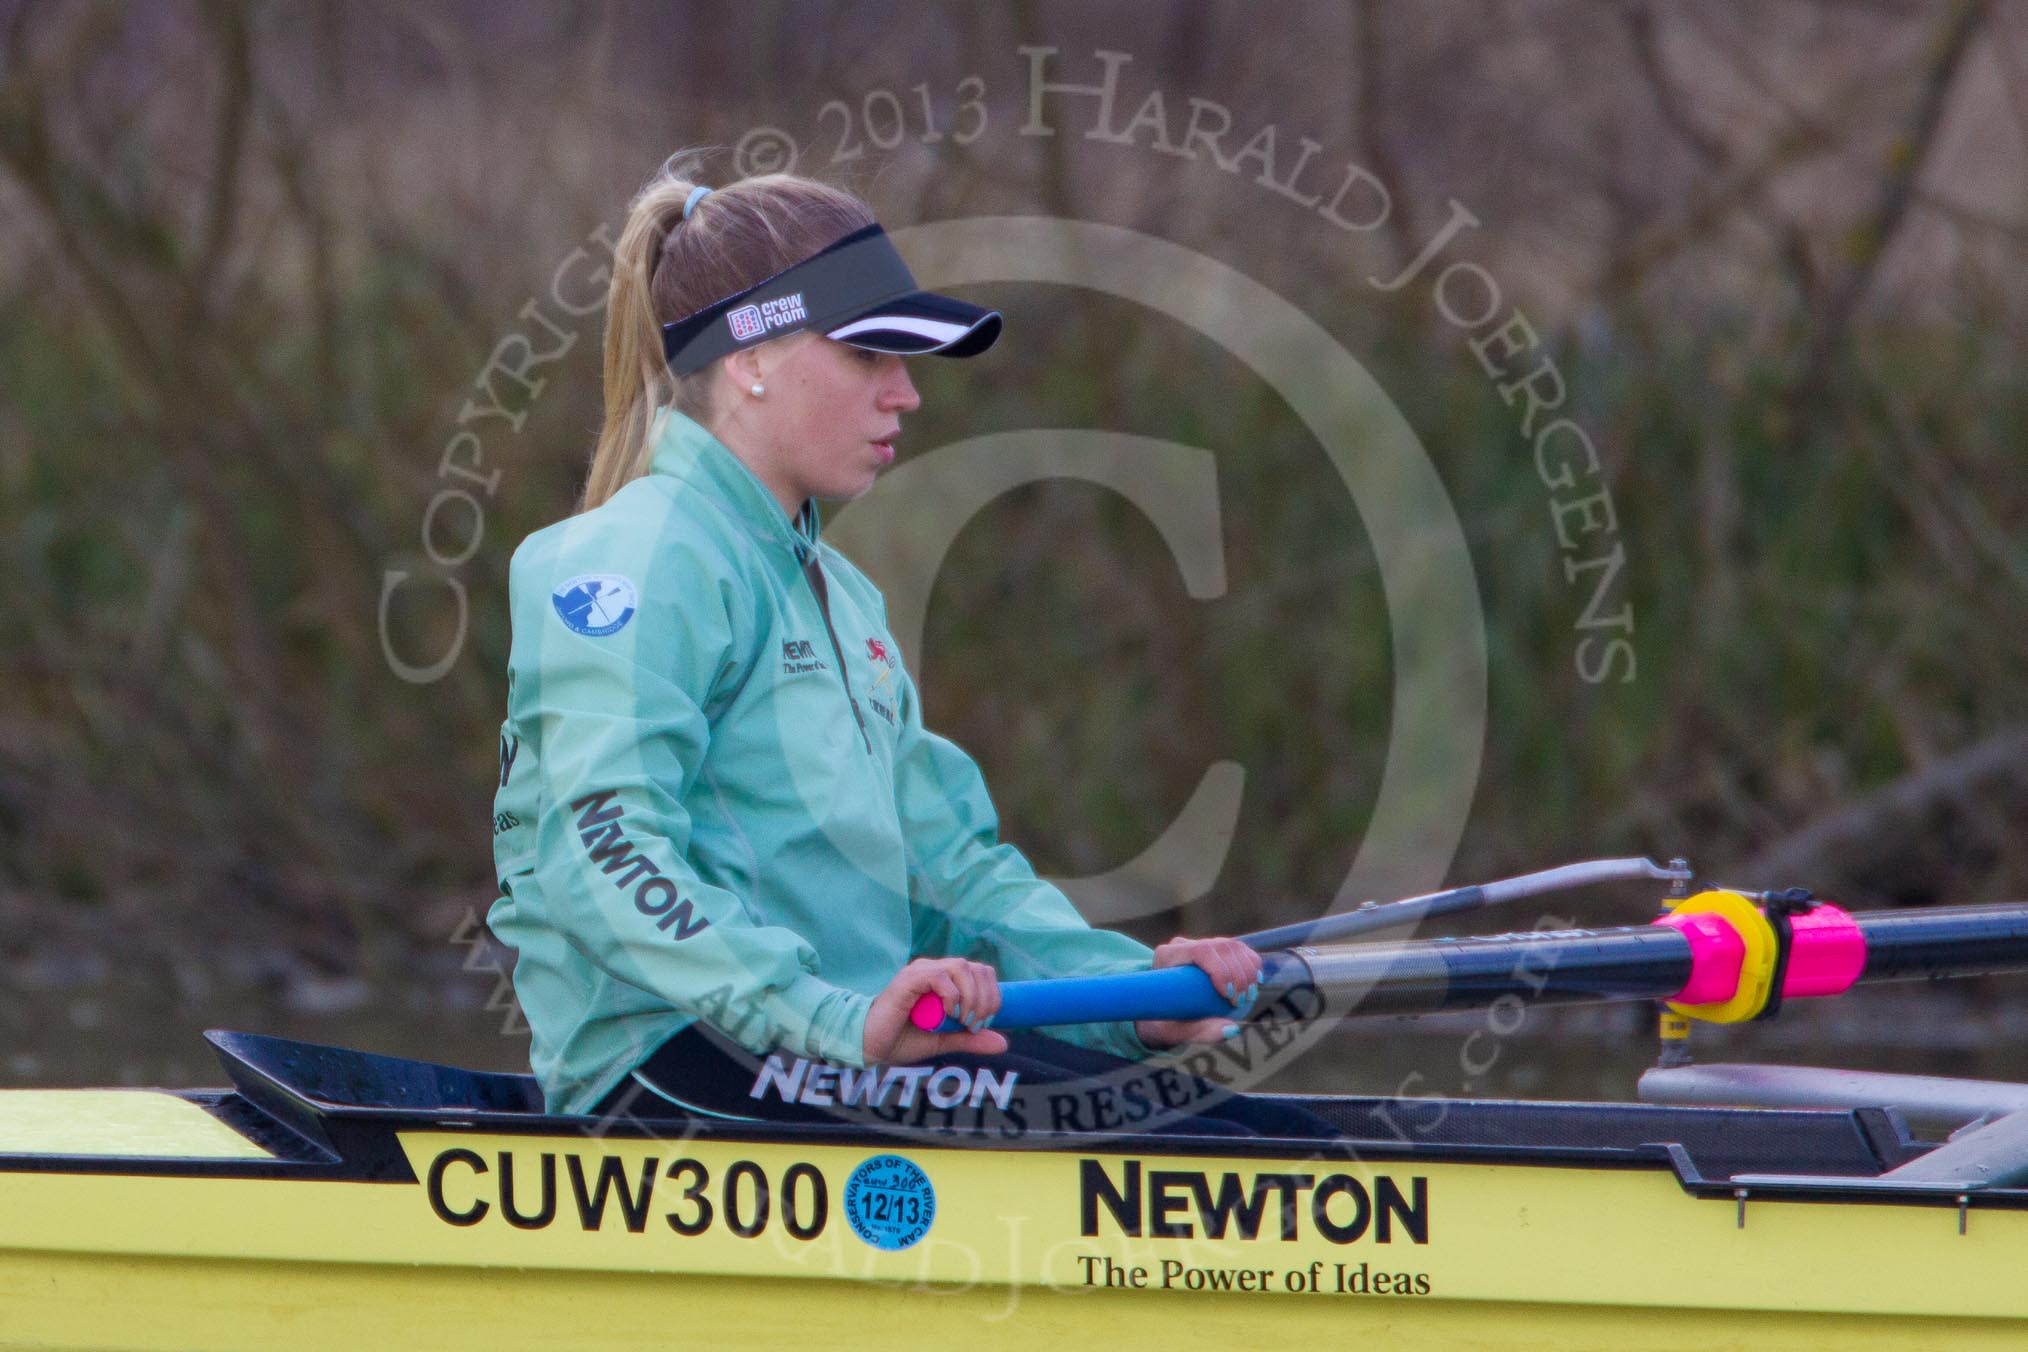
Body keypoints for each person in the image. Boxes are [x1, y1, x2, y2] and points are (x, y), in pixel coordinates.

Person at [489, 155, 1316, 1139]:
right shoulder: (638, 556)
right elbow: (603, 852)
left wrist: (1129, 995)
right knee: (1198, 1146)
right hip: (672, 1072)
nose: (907, 395)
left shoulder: (839, 599)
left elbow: (951, 879)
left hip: (836, 1052)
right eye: (870, 356)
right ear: (750, 357)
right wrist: (837, 1020)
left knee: (1226, 1122)